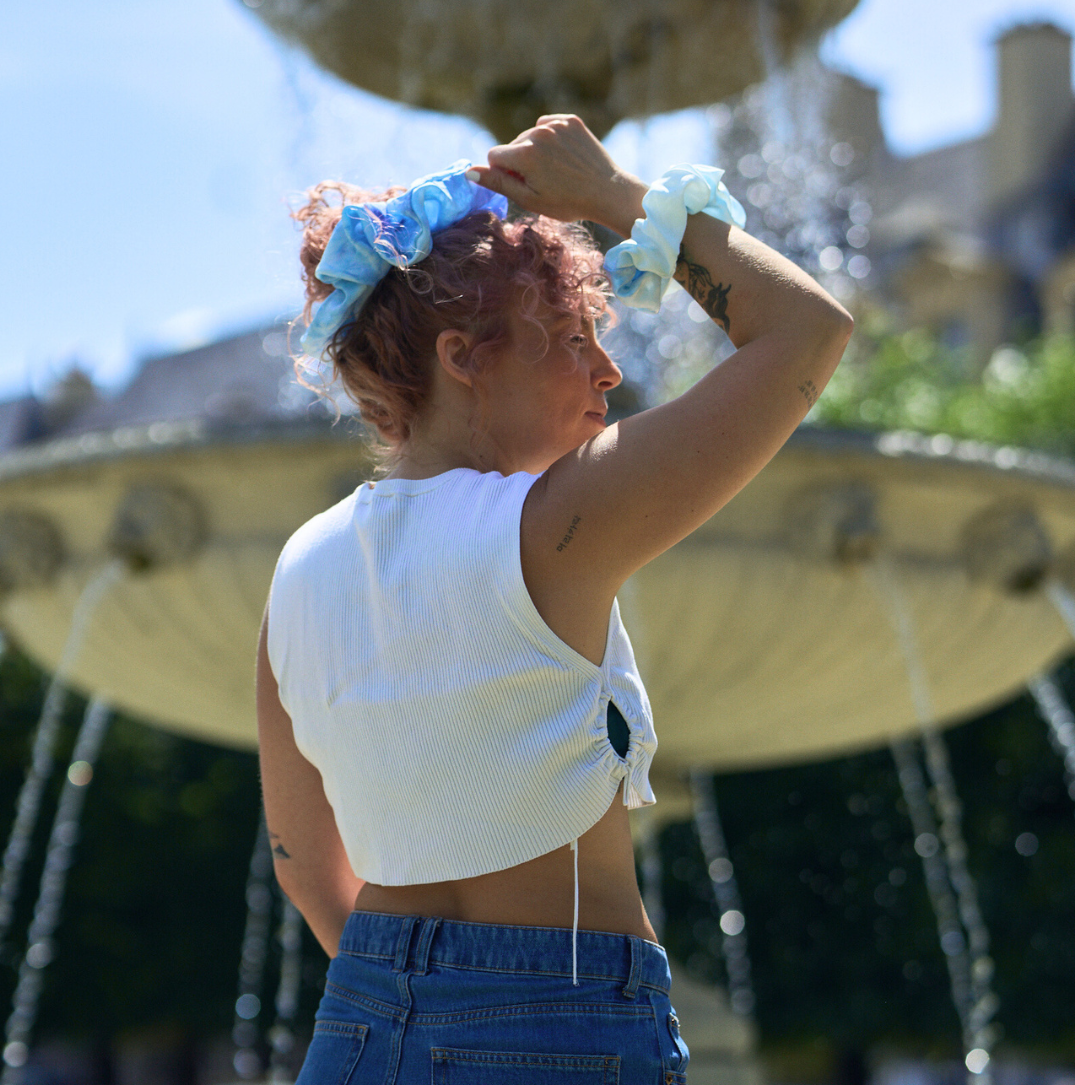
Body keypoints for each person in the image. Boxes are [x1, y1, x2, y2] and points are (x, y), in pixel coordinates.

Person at [257, 115, 853, 1084]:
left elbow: (301, 859)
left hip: (360, 1026)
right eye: (574, 337)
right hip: (565, 1013)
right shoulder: (550, 523)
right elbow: (807, 332)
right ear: (463, 356)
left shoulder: (299, 564)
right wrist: (614, 197)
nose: (609, 372)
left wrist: (414, 1006)